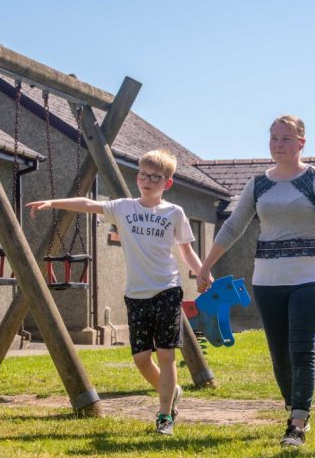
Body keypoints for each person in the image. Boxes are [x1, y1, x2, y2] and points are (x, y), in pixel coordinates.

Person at [197, 115, 315, 447]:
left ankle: (297, 421)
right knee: (279, 354)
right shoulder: (259, 184)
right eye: (273, 138)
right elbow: (233, 226)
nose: (278, 144)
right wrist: (205, 265)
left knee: (302, 350)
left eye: (285, 138)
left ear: (302, 142)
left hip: (309, 277)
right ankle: (295, 403)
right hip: (268, 279)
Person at [26, 149, 205, 436]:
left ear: (167, 183)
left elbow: (186, 250)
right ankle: (171, 393)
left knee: (166, 355)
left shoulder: (174, 213)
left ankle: (164, 415)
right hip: (136, 294)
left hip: (167, 290)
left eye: (155, 177)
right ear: (138, 177)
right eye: (143, 175)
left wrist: (202, 272)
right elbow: (87, 202)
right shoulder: (123, 208)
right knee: (141, 359)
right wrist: (53, 202)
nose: (147, 181)